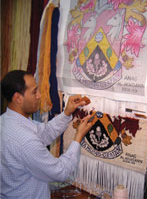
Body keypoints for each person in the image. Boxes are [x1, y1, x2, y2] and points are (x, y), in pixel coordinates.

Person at [0, 70, 92, 199]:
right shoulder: (26, 141)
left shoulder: (6, 120)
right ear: (18, 98)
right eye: (34, 92)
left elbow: (43, 133)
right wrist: (78, 137)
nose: (39, 96)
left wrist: (66, 113)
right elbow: (60, 172)